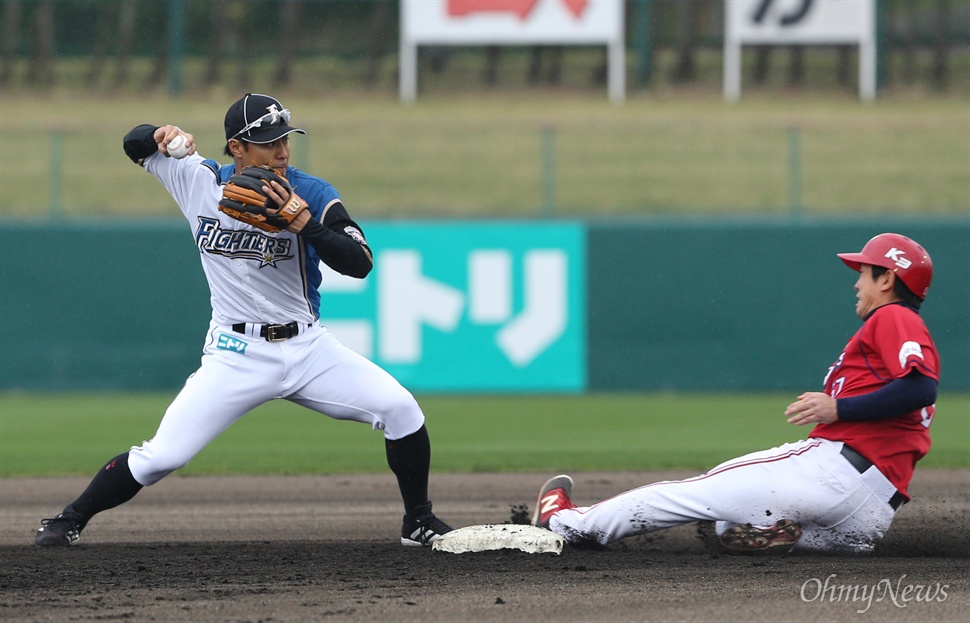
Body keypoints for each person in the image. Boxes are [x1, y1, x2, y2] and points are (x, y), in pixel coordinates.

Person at [35, 93, 453, 548]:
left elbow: (359, 262)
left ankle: (418, 521)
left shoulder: (310, 191)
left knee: (401, 409)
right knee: (161, 457)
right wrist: (158, 133)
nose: (281, 151)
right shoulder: (197, 179)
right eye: (268, 142)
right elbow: (134, 144)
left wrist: (306, 225)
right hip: (235, 353)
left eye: (284, 140)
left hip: (307, 348)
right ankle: (69, 518)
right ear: (237, 148)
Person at [532, 233, 939, 554]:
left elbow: (920, 386)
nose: (857, 282)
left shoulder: (892, 316)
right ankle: (783, 535)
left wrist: (838, 407)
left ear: (887, 278)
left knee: (695, 493)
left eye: (865, 272)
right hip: (869, 514)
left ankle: (568, 524)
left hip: (831, 475)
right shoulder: (905, 329)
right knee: (732, 528)